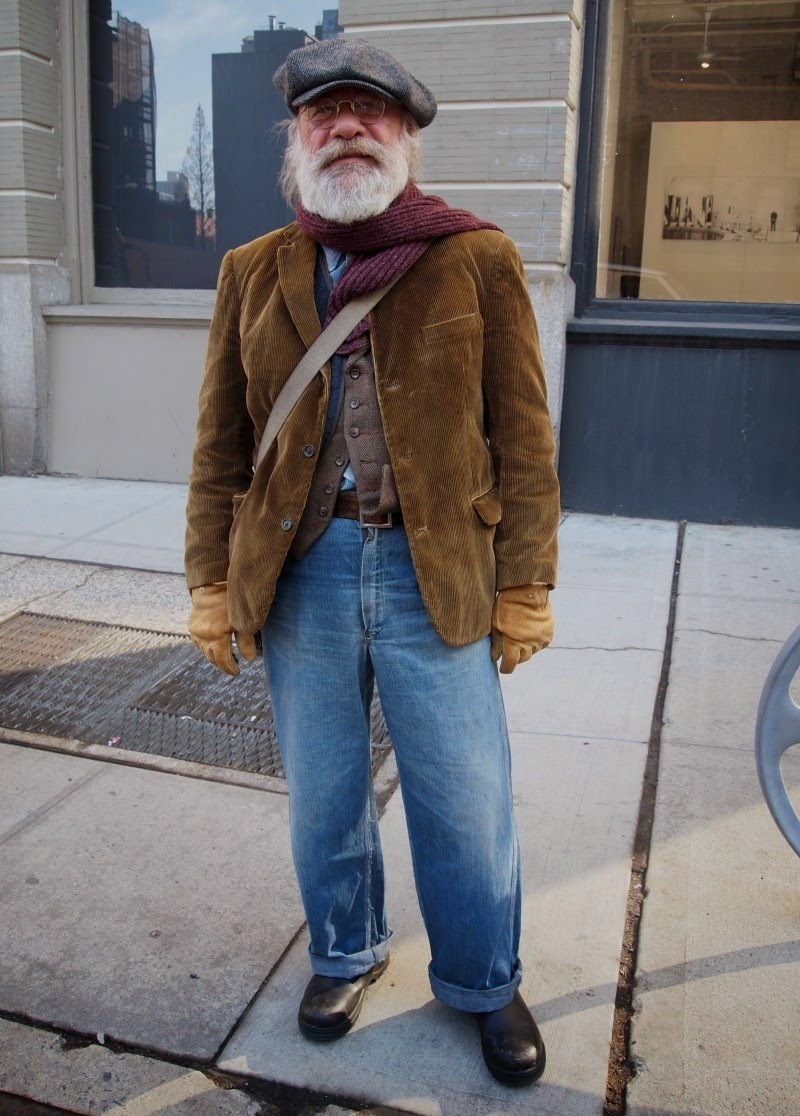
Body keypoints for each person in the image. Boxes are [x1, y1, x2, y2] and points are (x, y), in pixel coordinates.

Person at [185, 37, 560, 1086]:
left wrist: (526, 582)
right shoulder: (250, 269)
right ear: (296, 139)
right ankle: (345, 951)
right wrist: (209, 581)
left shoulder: (476, 257)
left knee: (465, 798)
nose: (346, 126)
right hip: (300, 572)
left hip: (431, 571)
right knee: (324, 792)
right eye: (324, 113)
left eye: (370, 111)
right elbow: (218, 443)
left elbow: (524, 435)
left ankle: (483, 977)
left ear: (405, 135)